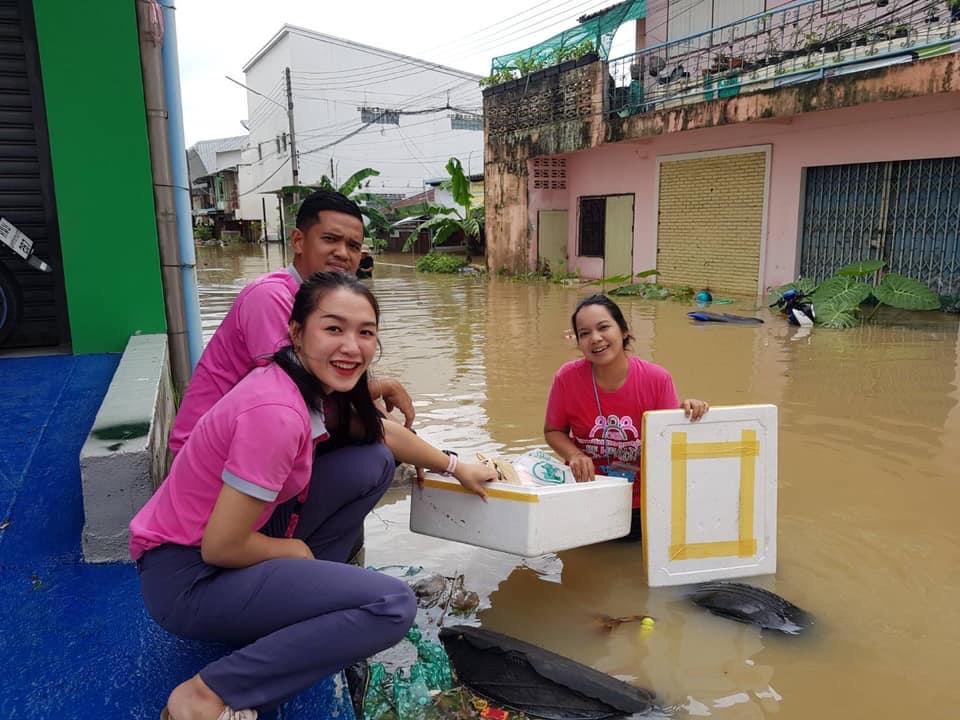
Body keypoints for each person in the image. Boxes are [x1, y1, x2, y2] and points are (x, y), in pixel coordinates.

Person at [132, 273, 496, 720]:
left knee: (370, 463)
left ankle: (300, 612)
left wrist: (457, 468)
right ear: (296, 332)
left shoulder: (296, 382)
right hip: (188, 579)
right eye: (333, 328)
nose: (351, 347)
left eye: (365, 333)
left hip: (207, 549)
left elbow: (383, 434)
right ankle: (204, 696)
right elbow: (221, 546)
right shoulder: (278, 414)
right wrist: (293, 552)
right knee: (391, 605)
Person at [169, 190, 411, 455]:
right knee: (375, 458)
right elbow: (303, 398)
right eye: (330, 239)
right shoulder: (269, 298)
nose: (343, 253)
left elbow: (342, 391)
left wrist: (403, 435)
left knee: (384, 441)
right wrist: (383, 392)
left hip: (248, 437)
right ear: (298, 241)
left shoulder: (327, 304)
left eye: (353, 246)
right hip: (206, 452)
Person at [544, 294, 709, 540]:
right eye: (585, 333)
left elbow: (671, 443)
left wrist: (687, 414)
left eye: (603, 327)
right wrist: (574, 454)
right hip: (587, 494)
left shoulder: (657, 380)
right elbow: (553, 430)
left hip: (645, 502)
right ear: (579, 342)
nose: (595, 338)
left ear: (623, 331)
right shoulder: (566, 379)